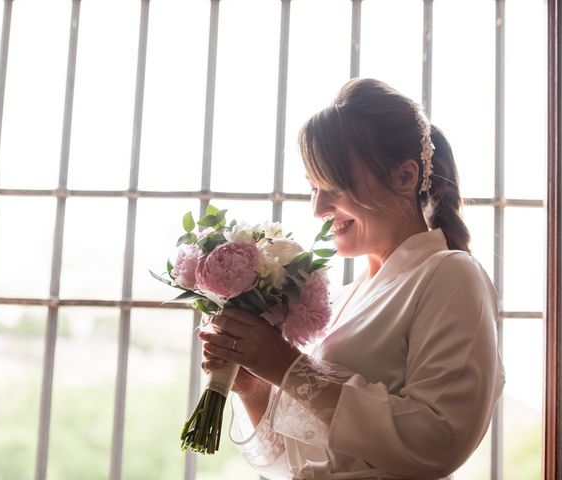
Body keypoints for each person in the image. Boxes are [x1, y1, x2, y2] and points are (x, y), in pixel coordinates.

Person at [198, 78, 505, 480]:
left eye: (333, 186)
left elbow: (438, 440)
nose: (319, 208)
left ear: (405, 177)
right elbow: (295, 462)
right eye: (313, 188)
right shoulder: (346, 298)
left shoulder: (451, 274)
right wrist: (256, 390)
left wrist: (288, 367)